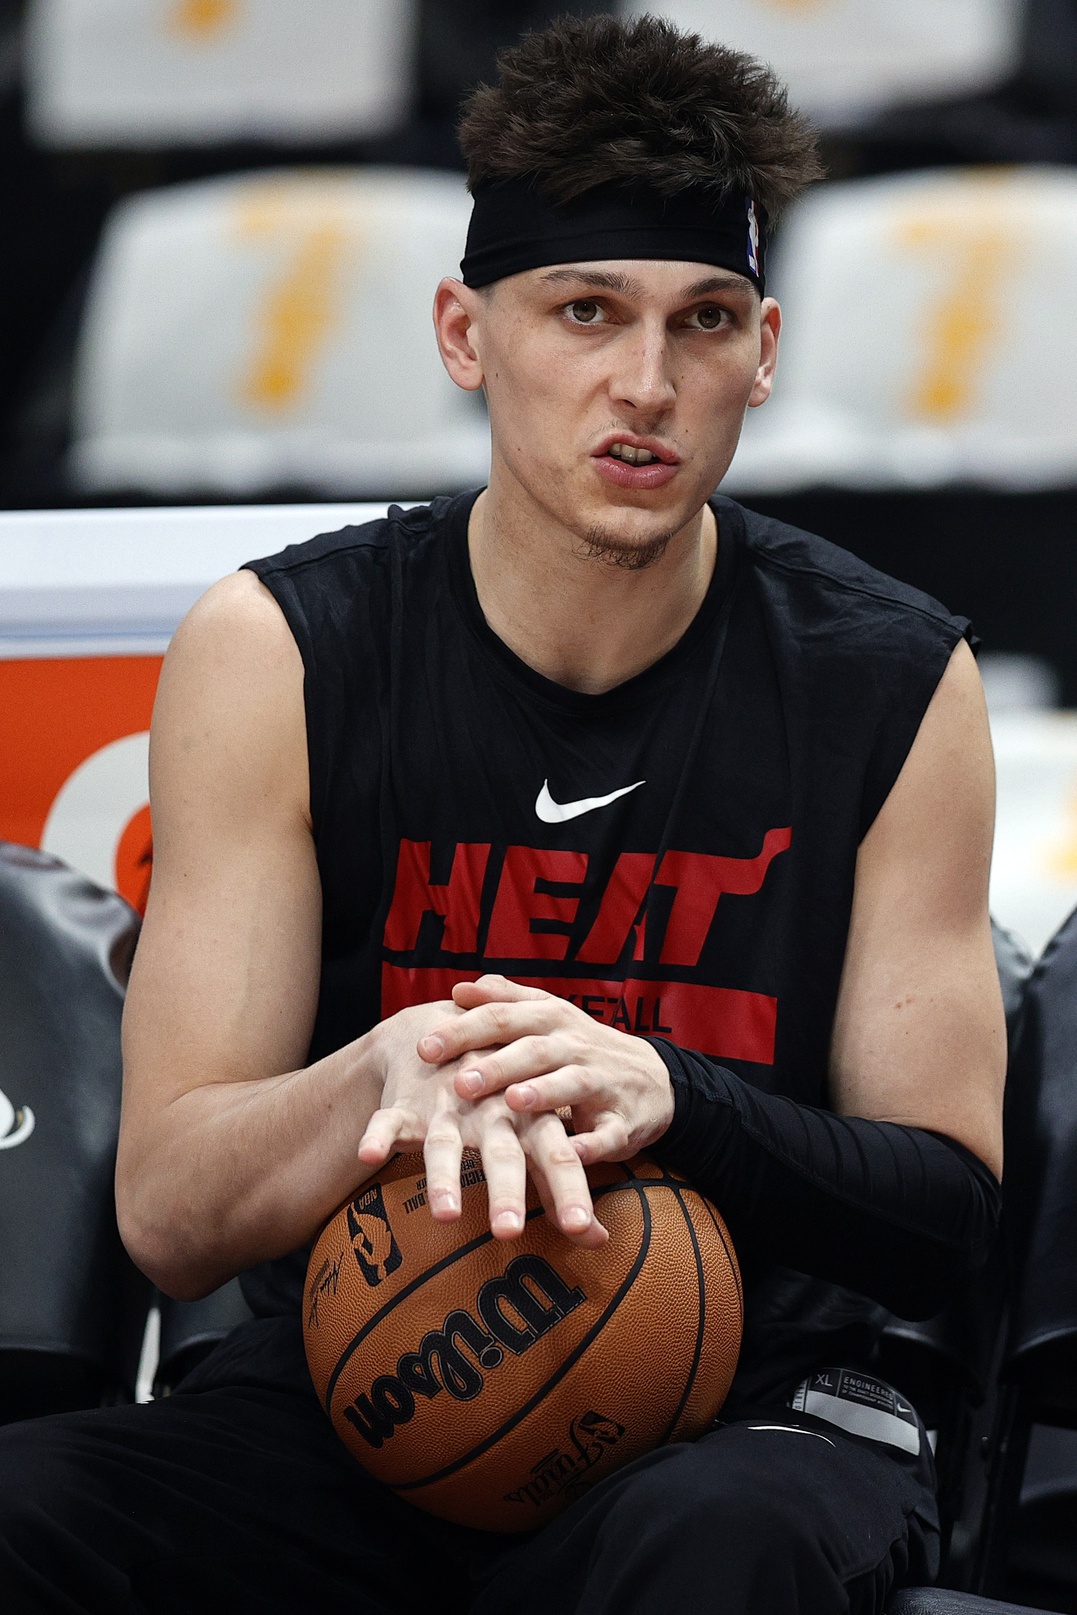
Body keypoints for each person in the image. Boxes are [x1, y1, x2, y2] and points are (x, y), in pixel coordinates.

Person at [0, 14, 1005, 1614]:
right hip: (379, 1372)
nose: (645, 383)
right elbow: (175, 1217)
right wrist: (373, 1078)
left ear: (765, 350)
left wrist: (676, 1095)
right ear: (466, 334)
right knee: (32, 1508)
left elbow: (946, 1208)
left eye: (703, 321)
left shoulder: (889, 679)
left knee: (710, 1547)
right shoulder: (280, 652)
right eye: (584, 311)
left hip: (755, 1401)